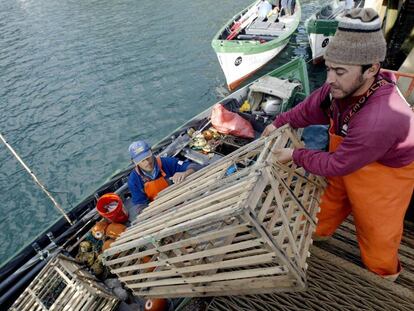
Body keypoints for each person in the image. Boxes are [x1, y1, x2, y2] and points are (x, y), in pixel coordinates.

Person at [262, 8, 414, 280]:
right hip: (349, 155)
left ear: (372, 69)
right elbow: (310, 109)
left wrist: (296, 154)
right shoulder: (341, 87)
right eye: (329, 68)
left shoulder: (380, 118)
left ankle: (382, 276)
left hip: (385, 172)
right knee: (330, 199)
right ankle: (318, 233)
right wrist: (279, 122)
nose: (330, 79)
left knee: (377, 229)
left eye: (340, 71)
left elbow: (337, 164)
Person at [127, 140, 199, 212]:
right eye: (142, 160)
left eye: (148, 157)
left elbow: (194, 166)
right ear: (134, 162)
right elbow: (140, 205)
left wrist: (185, 173)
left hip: (181, 200)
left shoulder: (166, 162)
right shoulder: (133, 180)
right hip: (159, 210)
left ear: (151, 152)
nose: (147, 162)